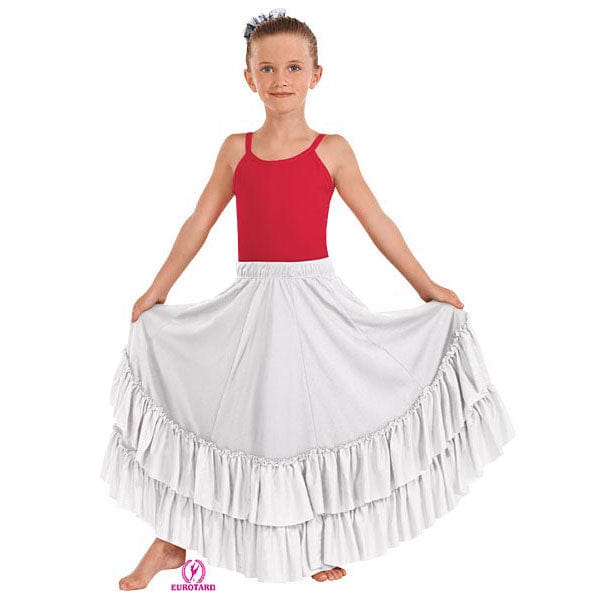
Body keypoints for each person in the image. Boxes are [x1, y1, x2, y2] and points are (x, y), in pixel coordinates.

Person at [100, 9, 515, 589]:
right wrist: (158, 289)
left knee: (309, 427)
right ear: (248, 76)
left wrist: (426, 287)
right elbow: (199, 221)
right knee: (224, 423)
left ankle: (314, 541)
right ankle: (170, 540)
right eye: (267, 68)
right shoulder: (236, 149)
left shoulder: (332, 149)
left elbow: (378, 222)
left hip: (315, 303)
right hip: (252, 305)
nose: (280, 79)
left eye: (293, 67)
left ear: (317, 74)